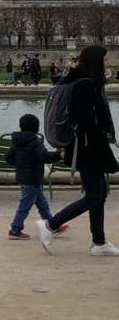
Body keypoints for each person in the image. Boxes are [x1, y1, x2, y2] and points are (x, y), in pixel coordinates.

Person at [36, 45, 119, 256]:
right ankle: (51, 225)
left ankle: (99, 242)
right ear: (96, 62)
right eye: (105, 60)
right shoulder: (86, 84)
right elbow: (84, 118)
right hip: (87, 146)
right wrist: (101, 131)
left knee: (98, 194)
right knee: (95, 196)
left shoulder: (78, 80)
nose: (108, 63)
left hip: (87, 145)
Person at [5, 114, 67, 240]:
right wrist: (59, 155)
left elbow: (8, 157)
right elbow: (45, 156)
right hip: (33, 177)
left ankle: (51, 225)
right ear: (37, 128)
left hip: (23, 176)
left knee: (42, 204)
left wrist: (19, 163)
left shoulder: (17, 142)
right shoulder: (35, 142)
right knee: (25, 205)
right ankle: (15, 229)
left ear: (20, 126)